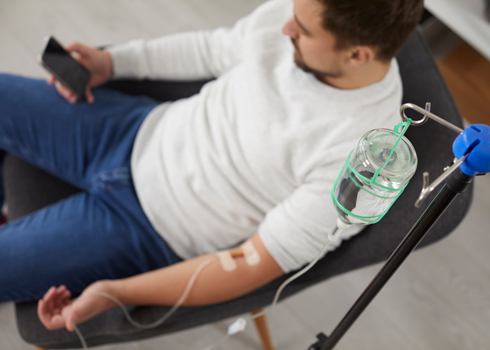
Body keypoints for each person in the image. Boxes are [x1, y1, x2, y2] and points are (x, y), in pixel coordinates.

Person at [0, 0, 423, 332]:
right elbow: (212, 48)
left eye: (302, 31)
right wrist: (114, 62)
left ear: (358, 55)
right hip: (132, 130)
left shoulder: (364, 161)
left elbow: (253, 261)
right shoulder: (302, 15)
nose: (285, 28)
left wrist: (116, 293)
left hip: (148, 231)